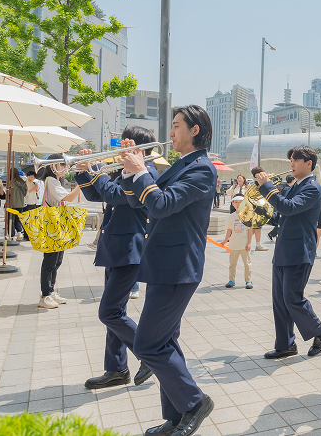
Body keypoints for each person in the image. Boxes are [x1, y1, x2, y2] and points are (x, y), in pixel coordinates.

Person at [118, 105, 215, 436]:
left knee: (148, 346)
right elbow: (140, 202)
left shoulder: (202, 169)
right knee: (165, 342)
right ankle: (175, 417)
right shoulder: (182, 165)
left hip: (178, 267)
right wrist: (130, 171)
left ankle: (195, 402)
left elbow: (161, 204)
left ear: (195, 130)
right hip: (164, 265)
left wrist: (140, 170)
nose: (170, 133)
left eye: (176, 126)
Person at [76, 126, 158, 391]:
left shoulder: (147, 175)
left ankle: (148, 354)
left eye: (126, 144)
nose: (121, 149)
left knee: (109, 312)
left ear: (140, 149)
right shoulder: (125, 172)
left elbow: (114, 194)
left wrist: (97, 170)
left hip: (130, 251)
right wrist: (83, 170)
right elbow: (95, 194)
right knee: (116, 313)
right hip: (114, 248)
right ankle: (116, 369)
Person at [254, 145, 321, 360]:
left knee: (292, 298)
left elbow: (288, 207)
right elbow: (281, 216)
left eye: (295, 160)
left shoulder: (312, 188)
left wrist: (267, 187)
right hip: (283, 250)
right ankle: (285, 345)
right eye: (291, 160)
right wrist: (257, 213)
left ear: (308, 164)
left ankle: (320, 331)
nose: (291, 164)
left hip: (299, 251)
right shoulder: (293, 186)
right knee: (279, 301)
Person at [38, 155, 82, 309]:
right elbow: (69, 198)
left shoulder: (56, 181)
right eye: (62, 164)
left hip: (57, 225)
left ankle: (50, 291)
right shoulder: (51, 181)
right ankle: (45, 295)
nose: (65, 167)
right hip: (52, 225)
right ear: (52, 166)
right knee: (50, 261)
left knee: (57, 261)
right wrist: (82, 184)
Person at [221, 195, 253, 289]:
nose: (238, 204)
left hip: (244, 244)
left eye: (240, 202)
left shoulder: (247, 216)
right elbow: (229, 229)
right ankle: (231, 280)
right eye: (236, 202)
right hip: (234, 244)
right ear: (233, 204)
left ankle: (248, 281)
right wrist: (225, 240)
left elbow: (250, 230)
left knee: (247, 263)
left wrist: (249, 243)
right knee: (232, 263)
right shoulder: (231, 216)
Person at [268, 175, 294, 241]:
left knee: (280, 221)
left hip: (281, 206)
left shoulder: (285, 188)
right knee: (281, 221)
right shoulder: (290, 188)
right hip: (285, 207)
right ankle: (271, 234)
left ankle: (272, 234)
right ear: (293, 180)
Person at [250, 166, 269, 252]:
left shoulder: (253, 183)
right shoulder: (256, 184)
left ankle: (247, 242)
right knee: (257, 227)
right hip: (257, 207)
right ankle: (256, 244)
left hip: (257, 207)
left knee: (256, 228)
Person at [22, 170, 44, 241]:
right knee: (27, 220)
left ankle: (31, 235)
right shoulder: (25, 184)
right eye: (29, 177)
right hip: (27, 203)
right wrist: (32, 189)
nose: (30, 178)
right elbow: (25, 194)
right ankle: (26, 235)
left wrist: (36, 189)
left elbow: (38, 193)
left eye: (32, 177)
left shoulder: (35, 183)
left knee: (33, 220)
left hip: (34, 203)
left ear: (34, 178)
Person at [7, 167, 27, 241]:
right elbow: (25, 193)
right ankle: (19, 233)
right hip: (20, 204)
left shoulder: (10, 182)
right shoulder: (22, 182)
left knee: (10, 220)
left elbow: (8, 193)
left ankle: (11, 236)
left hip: (11, 204)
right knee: (18, 219)